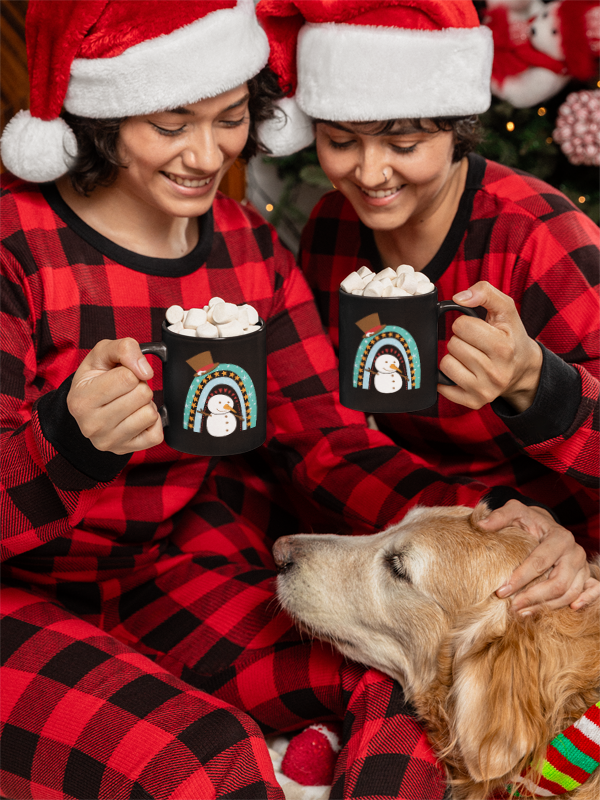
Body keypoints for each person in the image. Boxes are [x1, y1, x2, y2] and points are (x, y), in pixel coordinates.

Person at [0, 1, 594, 799]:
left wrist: (490, 527)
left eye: (231, 119)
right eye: (172, 125)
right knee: (210, 763)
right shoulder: (16, 246)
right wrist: (64, 440)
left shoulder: (250, 248)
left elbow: (327, 444)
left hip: (176, 566)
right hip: (25, 589)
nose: (207, 155)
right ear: (107, 119)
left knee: (405, 685)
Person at [256, 0, 600, 613]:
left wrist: (534, 382)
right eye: (340, 141)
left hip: (552, 560)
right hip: (411, 530)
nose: (369, 173)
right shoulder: (332, 231)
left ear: (455, 128)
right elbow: (325, 424)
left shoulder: (540, 239)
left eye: (405, 144)